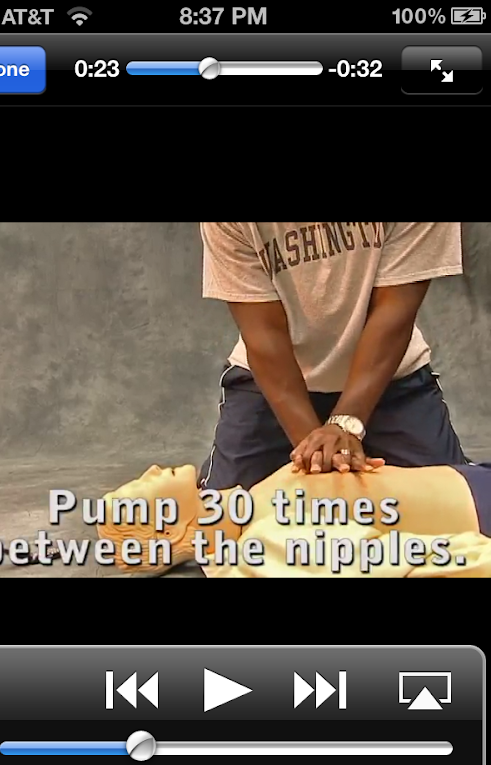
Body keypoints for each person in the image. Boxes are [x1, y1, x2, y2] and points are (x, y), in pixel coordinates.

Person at [198, 222, 468, 491]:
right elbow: (264, 334)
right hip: (273, 384)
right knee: (224, 507)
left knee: (457, 501)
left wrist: (345, 425)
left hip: (389, 380)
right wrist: (317, 453)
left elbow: (395, 311)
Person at [96, 461, 491, 578]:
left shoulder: (254, 507)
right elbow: (406, 561)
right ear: (167, 528)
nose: (148, 471)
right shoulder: (268, 542)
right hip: (478, 502)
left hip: (467, 478)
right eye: (135, 490)